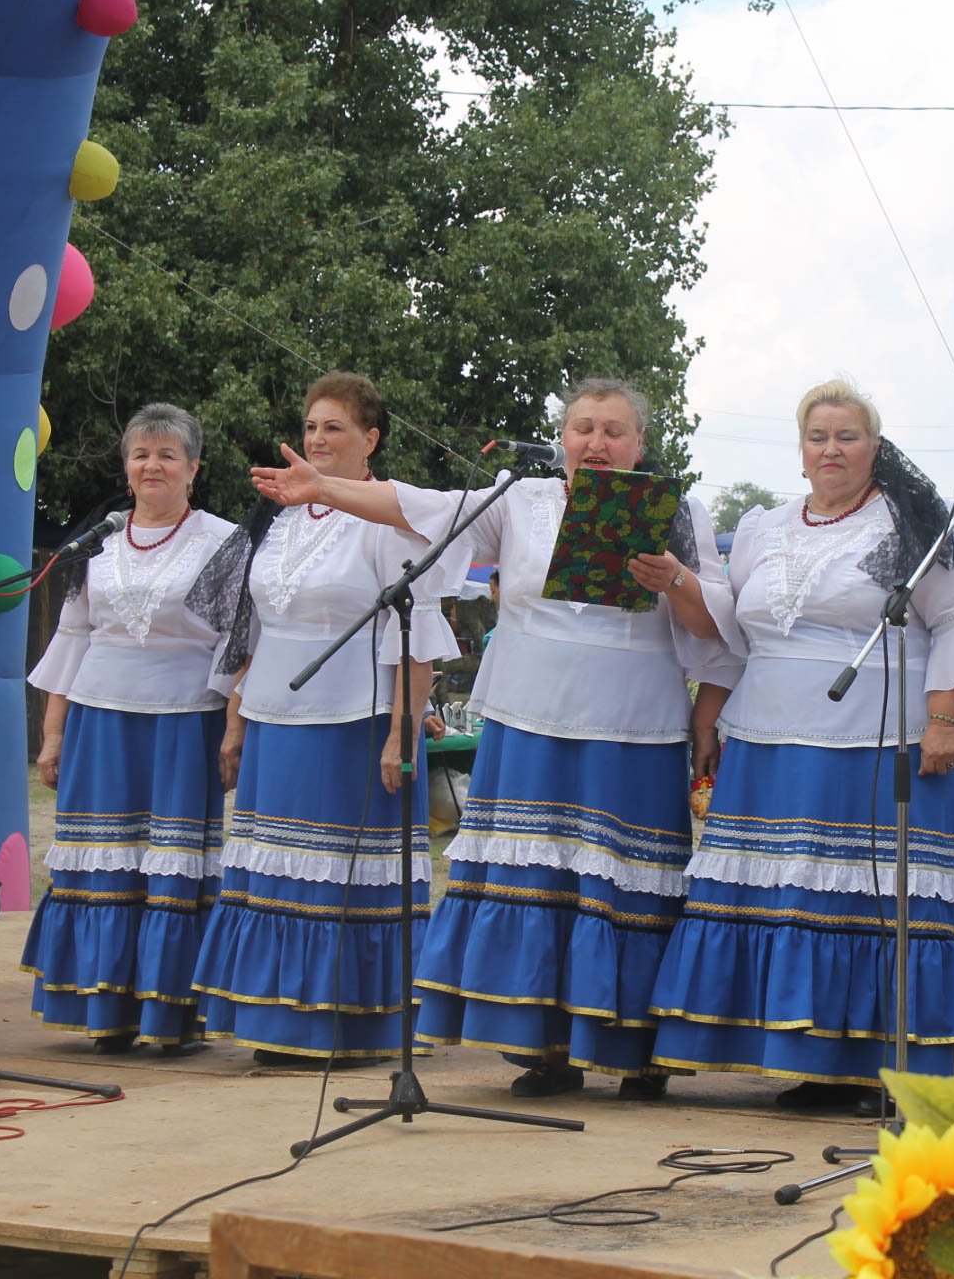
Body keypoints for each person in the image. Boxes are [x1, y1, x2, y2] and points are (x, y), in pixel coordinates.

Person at [252, 377, 732, 1099]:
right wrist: (327, 487)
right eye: (582, 429)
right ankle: (542, 1045)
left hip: (632, 726)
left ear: (638, 443)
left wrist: (677, 582)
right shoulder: (519, 499)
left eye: (612, 430)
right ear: (562, 438)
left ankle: (635, 1047)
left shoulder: (678, 511)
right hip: (528, 717)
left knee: (624, 880)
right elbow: (420, 508)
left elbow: (717, 628)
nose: (595, 443)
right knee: (536, 877)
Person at [646, 380, 954, 1113]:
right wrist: (688, 609)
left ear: (875, 447)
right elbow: (732, 629)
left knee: (869, 896)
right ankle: (807, 1052)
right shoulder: (764, 527)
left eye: (847, 436)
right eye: (818, 437)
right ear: (800, 449)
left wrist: (946, 722)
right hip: (770, 739)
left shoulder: (915, 522)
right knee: (790, 893)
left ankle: (889, 1058)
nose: (832, 449)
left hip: (879, 738)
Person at [189, 373, 457, 1067]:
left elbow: (418, 637)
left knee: (337, 871)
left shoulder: (387, 520)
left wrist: (402, 730)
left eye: (333, 428)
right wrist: (237, 719)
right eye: (310, 427)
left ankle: (346, 1025)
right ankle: (276, 1017)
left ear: (370, 440)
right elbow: (254, 632)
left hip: (352, 721)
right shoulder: (277, 521)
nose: (316, 440)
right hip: (277, 716)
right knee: (273, 868)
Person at [20, 404, 238, 1053]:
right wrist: (53, 735)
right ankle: (105, 1007)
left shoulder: (224, 543)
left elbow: (237, 644)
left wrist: (233, 732)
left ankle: (169, 1015)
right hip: (100, 722)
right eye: (142, 454)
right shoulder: (97, 543)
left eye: (168, 455)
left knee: (172, 865)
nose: (153, 465)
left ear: (193, 470)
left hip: (184, 723)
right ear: (126, 467)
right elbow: (71, 641)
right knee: (104, 860)